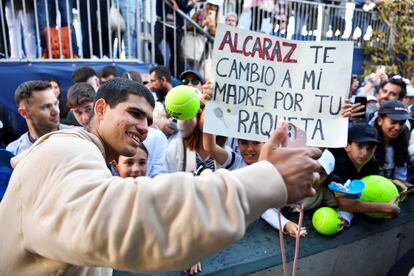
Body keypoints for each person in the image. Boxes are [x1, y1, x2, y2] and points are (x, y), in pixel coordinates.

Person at [0, 78, 321, 275]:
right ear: (99, 109)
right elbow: (125, 222)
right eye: (134, 113)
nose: (144, 127)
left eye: (148, 118)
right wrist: (268, 180)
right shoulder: (67, 148)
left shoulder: (87, 154)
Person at [328, 124, 400, 224]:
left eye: (370, 148)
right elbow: (345, 204)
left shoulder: (372, 164)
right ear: (347, 146)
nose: (365, 153)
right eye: (360, 146)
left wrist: (393, 185)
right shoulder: (338, 164)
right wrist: (385, 208)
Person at [6, 80, 69, 155]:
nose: (56, 111)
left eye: (56, 104)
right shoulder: (14, 151)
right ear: (24, 113)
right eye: (46, 107)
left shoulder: (78, 135)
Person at [154, 0, 195, 76]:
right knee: (153, 44)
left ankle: (174, 76)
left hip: (176, 28)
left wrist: (191, 5)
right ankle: (161, 63)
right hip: (161, 23)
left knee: (177, 54)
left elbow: (181, 10)